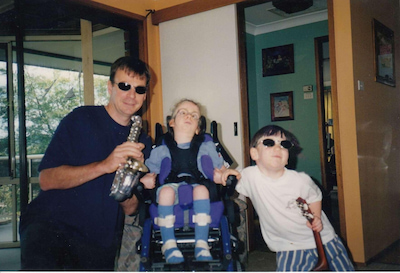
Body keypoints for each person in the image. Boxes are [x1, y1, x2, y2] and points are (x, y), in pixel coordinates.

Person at [19, 56, 156, 270]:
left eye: (139, 89)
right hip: (51, 227)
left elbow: (131, 209)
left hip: (99, 240)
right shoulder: (81, 119)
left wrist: (126, 183)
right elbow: (46, 179)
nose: (131, 95)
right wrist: (105, 165)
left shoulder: (144, 142)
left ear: (145, 95)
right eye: (124, 86)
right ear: (110, 87)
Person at [236, 125, 354, 271]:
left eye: (283, 144)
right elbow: (231, 177)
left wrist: (316, 216)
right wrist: (222, 174)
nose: (277, 148)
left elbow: (315, 195)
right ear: (254, 154)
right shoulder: (249, 176)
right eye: (269, 143)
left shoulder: (300, 181)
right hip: (287, 245)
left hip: (322, 239)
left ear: (288, 157)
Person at [145, 98, 240, 264]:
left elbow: (220, 168)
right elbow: (151, 170)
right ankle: (169, 244)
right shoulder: (161, 148)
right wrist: (146, 178)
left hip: (199, 184)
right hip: (169, 185)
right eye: (183, 112)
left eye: (194, 115)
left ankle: (201, 243)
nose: (189, 116)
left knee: (202, 190)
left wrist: (225, 174)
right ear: (172, 122)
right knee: (166, 192)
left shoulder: (206, 146)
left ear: (198, 128)